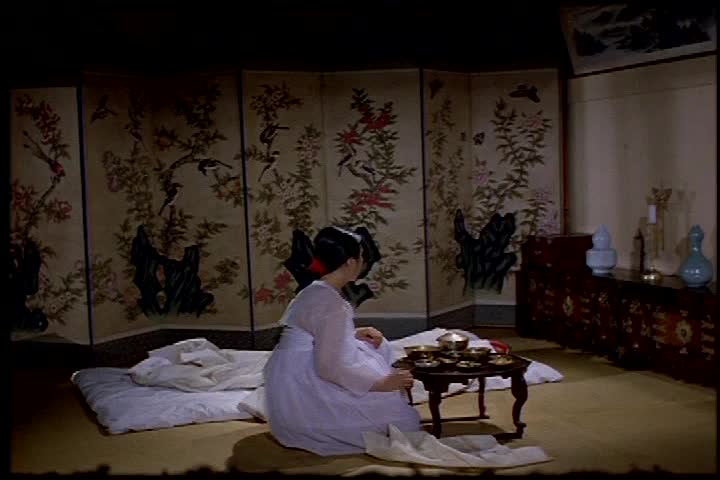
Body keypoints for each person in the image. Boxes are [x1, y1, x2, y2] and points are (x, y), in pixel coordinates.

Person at [263, 226, 421, 456]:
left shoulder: (314, 289)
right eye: (361, 258)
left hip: (286, 377)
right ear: (350, 262)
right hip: (303, 384)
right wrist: (380, 384)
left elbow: (312, 329)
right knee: (402, 420)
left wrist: (352, 333)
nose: (363, 263)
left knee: (376, 347)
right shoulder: (332, 303)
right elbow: (329, 367)